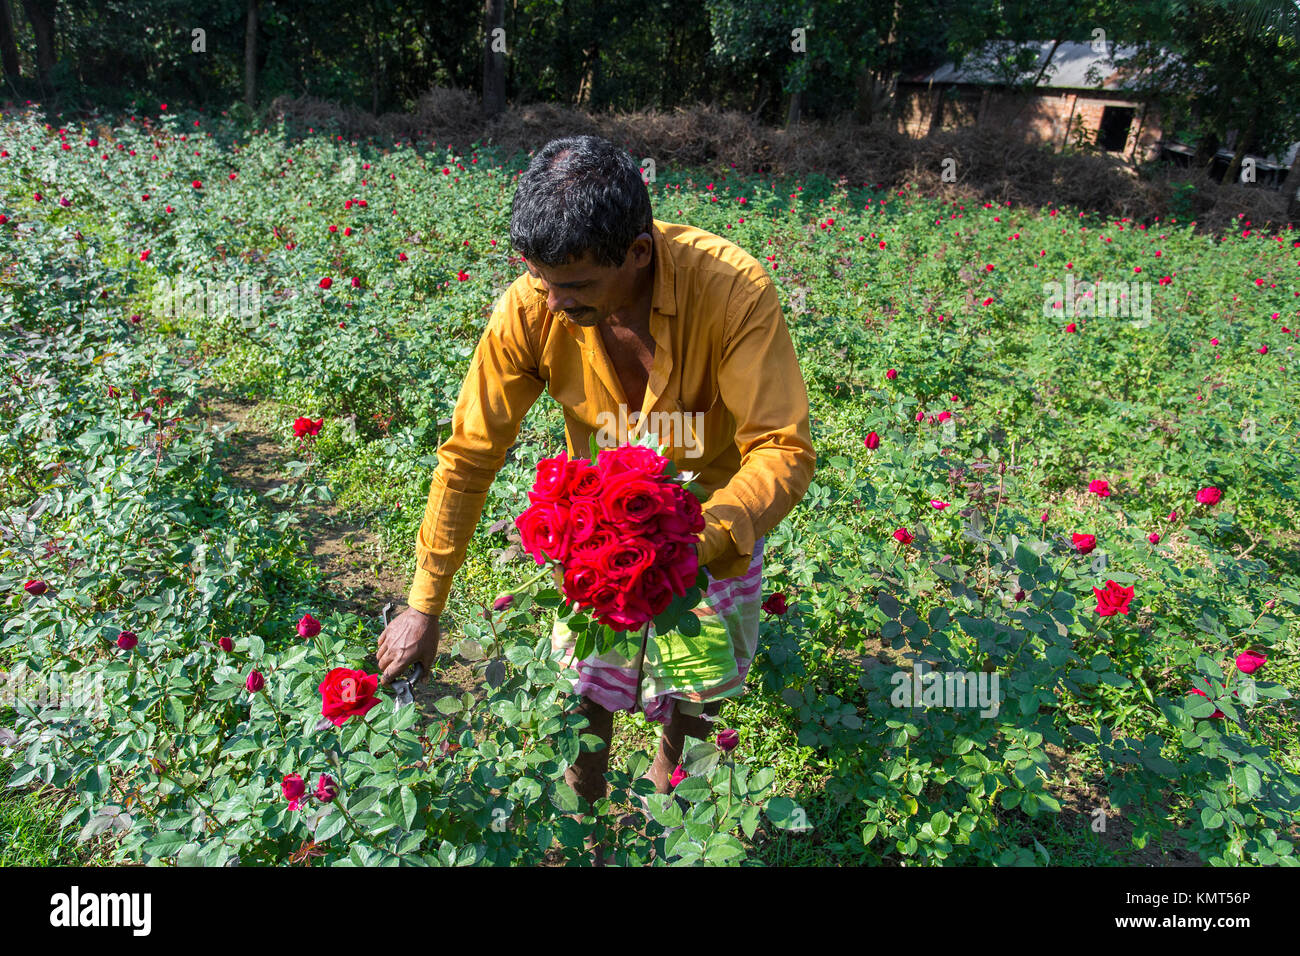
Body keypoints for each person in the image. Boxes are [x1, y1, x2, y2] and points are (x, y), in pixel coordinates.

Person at [376, 133, 814, 858]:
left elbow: (782, 447)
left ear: (637, 254)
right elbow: (470, 453)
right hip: (598, 533)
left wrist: (686, 546)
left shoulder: (731, 290)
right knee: (586, 685)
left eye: (574, 285)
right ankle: (582, 807)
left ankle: (674, 789)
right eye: (540, 279)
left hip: (714, 517)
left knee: (694, 691)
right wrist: (427, 602)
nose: (552, 301)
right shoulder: (533, 308)